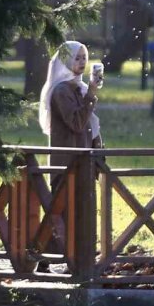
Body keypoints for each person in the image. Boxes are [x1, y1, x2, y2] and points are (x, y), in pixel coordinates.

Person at [36, 41, 103, 272]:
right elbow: (76, 122)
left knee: (79, 210)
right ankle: (42, 257)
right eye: (77, 58)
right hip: (66, 161)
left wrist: (99, 156)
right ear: (65, 61)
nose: (82, 62)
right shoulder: (61, 91)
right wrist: (91, 96)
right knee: (60, 211)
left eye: (84, 57)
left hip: (83, 161)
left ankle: (77, 260)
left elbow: (91, 129)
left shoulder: (80, 88)